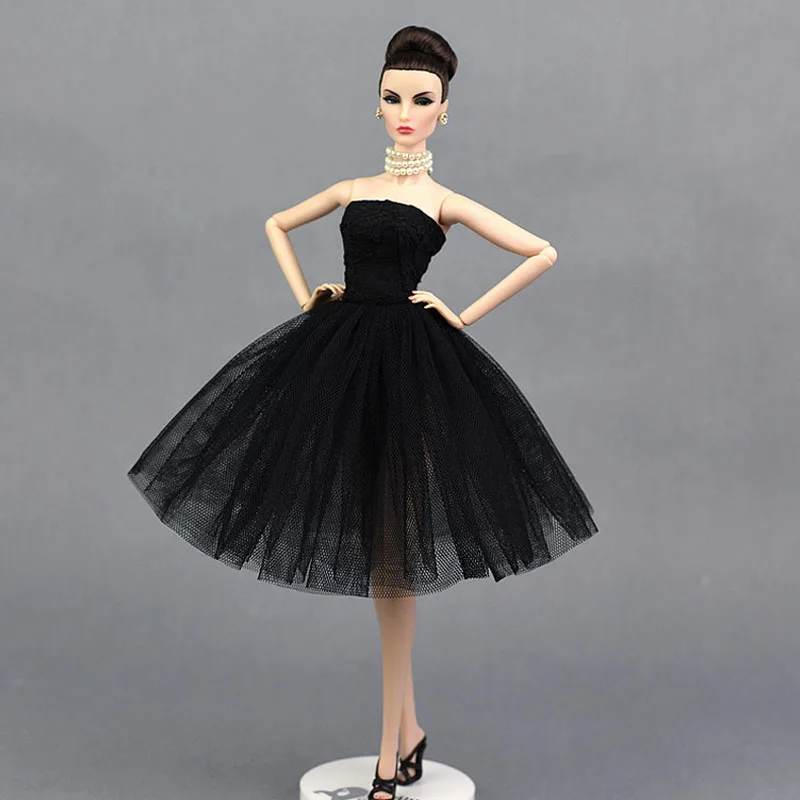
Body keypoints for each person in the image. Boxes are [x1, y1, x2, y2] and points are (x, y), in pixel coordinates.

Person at [127, 24, 598, 800]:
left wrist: (462, 315)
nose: (406, 112)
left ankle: (391, 754)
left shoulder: (442, 202)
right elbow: (277, 224)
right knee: (383, 553)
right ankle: (407, 734)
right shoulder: (352, 189)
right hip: (342, 355)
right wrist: (306, 297)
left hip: (412, 370)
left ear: (444, 111)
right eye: (393, 97)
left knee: (393, 559)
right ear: (376, 104)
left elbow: (541, 250)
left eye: (422, 100)